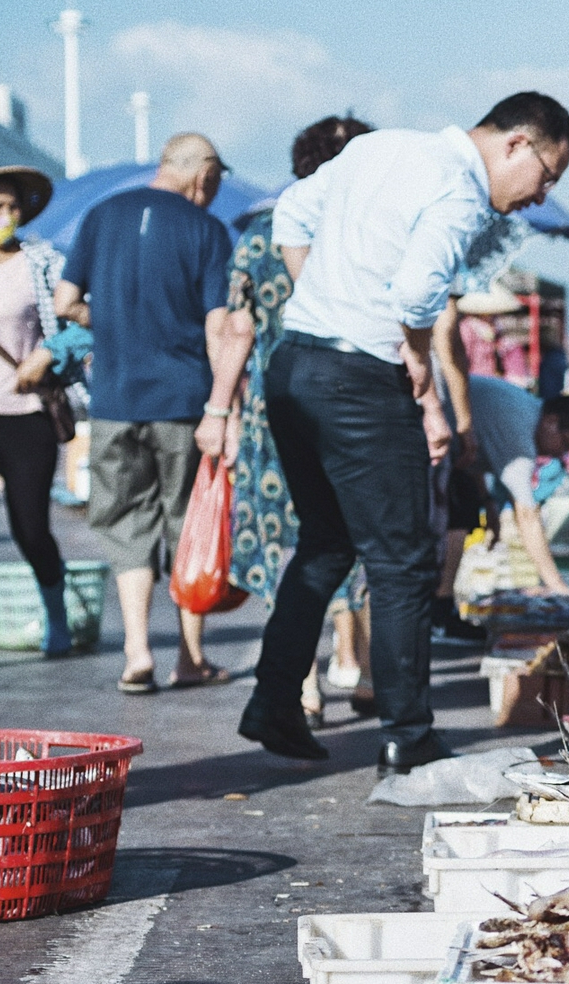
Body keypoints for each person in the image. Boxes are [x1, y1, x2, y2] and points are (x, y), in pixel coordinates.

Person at [242, 91, 569, 771]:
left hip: (296, 364)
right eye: (546, 176)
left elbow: (292, 211)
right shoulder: (458, 189)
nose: (538, 197)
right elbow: (421, 292)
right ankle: (406, 733)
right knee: (402, 562)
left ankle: (275, 700)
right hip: (360, 379)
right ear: (516, 143)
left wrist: (324, 302)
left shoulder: (377, 146)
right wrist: (418, 368)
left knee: (327, 543)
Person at [55, 133, 235, 694]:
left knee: (125, 524)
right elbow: (216, 325)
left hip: (114, 400)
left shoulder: (100, 214)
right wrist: (221, 410)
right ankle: (189, 656)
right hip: (183, 403)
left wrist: (105, 324)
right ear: (203, 176)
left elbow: (65, 302)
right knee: (188, 526)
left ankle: (137, 654)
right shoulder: (206, 229)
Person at [212, 114, 375, 726]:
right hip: (352, 404)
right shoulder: (367, 236)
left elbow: (237, 327)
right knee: (355, 533)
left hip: (272, 411)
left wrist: (218, 410)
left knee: (292, 543)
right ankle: (356, 663)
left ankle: (304, 683)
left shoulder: (260, 234)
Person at [0, 165, 72, 662]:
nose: (7, 216)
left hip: (26, 414)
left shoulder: (41, 263)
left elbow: (83, 320)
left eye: (13, 207)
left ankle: (56, 616)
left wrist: (48, 352)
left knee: (30, 527)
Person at [466, 377, 569, 595]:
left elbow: (474, 457)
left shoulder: (524, 410)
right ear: (551, 422)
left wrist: (489, 504)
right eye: (566, 444)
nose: (561, 454)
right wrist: (557, 585)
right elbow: (526, 515)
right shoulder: (521, 427)